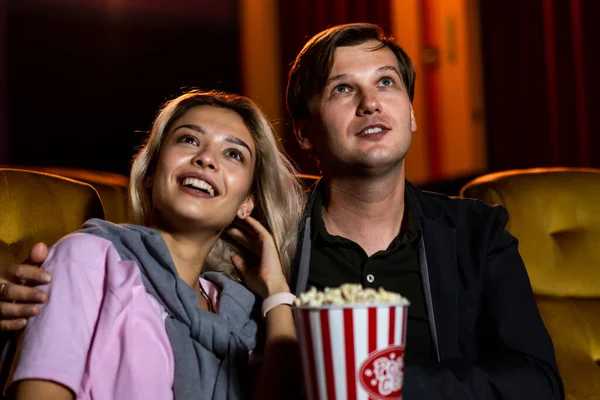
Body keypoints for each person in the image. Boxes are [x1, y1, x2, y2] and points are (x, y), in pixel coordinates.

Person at [1, 23, 563, 399]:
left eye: (387, 83)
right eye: (343, 89)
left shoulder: (476, 233)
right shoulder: (259, 237)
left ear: (412, 114)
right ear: (304, 131)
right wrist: (25, 309)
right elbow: (149, 287)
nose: (370, 102)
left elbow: (538, 384)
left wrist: (375, 386)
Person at [0, 90, 305, 399]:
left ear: (247, 203)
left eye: (233, 154)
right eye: (188, 140)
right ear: (150, 171)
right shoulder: (87, 257)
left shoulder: (240, 315)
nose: (206, 159)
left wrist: (276, 292)